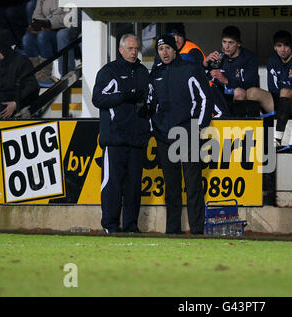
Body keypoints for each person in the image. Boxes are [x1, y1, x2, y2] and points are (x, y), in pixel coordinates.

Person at [148, 34, 213, 235]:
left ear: (175, 50)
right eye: (161, 49)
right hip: (163, 136)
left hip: (187, 133)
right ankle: (172, 230)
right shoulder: (155, 73)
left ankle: (196, 230)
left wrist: (200, 126)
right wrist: (154, 128)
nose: (164, 52)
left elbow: (204, 98)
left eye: (168, 48)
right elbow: (151, 103)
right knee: (171, 186)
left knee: (193, 184)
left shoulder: (189, 69)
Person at [92, 34, 151, 234]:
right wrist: (123, 96)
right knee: (112, 185)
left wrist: (147, 111)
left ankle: (131, 225)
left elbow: (150, 99)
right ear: (121, 50)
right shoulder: (109, 71)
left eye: (136, 48)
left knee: (134, 187)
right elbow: (98, 99)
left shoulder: (143, 72)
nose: (134, 52)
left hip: (137, 139)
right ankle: (110, 225)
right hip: (115, 139)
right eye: (130, 48)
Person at [204, 25, 260, 117]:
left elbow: (251, 84)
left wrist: (226, 80)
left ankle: (237, 124)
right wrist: (205, 64)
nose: (226, 46)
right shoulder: (219, 56)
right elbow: (205, 78)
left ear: (239, 44)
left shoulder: (248, 58)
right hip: (223, 100)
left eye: (231, 43)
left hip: (243, 102)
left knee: (239, 92)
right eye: (224, 42)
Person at [22, 0, 80, 83]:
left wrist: (48, 23)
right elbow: (38, 13)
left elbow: (71, 16)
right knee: (27, 38)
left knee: (44, 36)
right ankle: (36, 76)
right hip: (48, 30)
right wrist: (38, 23)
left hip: (66, 29)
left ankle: (52, 74)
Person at [0, 31, 39, 119]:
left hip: (19, 101)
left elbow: (32, 86)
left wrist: (16, 103)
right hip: (2, 101)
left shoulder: (20, 61)